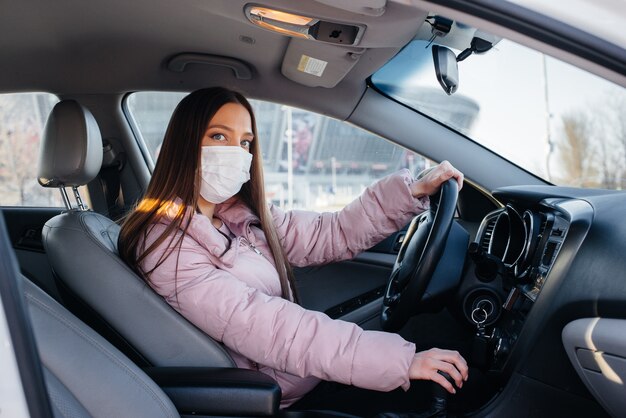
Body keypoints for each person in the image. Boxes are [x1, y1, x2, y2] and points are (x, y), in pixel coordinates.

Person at [118, 87, 468, 413]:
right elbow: (271, 327)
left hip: (299, 376)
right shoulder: (166, 246)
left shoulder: (241, 217)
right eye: (219, 136)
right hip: (273, 396)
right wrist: (400, 361)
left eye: (245, 142)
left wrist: (412, 192)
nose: (235, 153)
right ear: (184, 143)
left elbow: (328, 233)